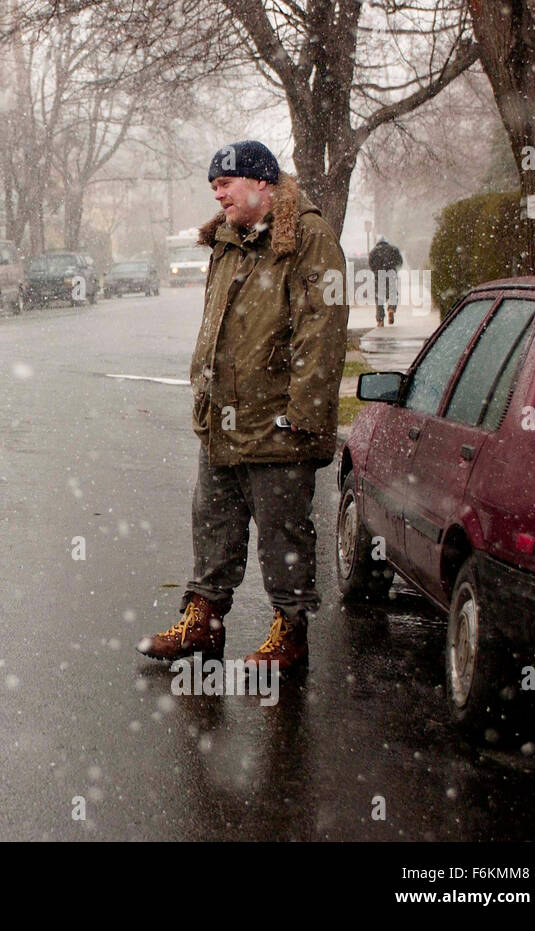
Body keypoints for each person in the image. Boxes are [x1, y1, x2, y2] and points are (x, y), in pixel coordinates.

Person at [136, 140, 347, 672]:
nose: (219, 193)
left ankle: (290, 636)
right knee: (213, 526)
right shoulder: (227, 240)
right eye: (214, 186)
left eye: (226, 183)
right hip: (222, 420)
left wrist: (303, 412)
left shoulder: (309, 238)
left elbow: (320, 332)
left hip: (278, 424)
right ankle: (202, 627)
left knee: (283, 536)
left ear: (263, 183)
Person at [368, 236, 403, 326]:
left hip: (379, 276)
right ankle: (391, 308)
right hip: (391, 274)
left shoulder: (373, 251)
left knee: (379, 298)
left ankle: (380, 320)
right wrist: (395, 269)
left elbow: (370, 264)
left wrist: (376, 271)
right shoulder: (393, 249)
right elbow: (400, 261)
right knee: (393, 294)